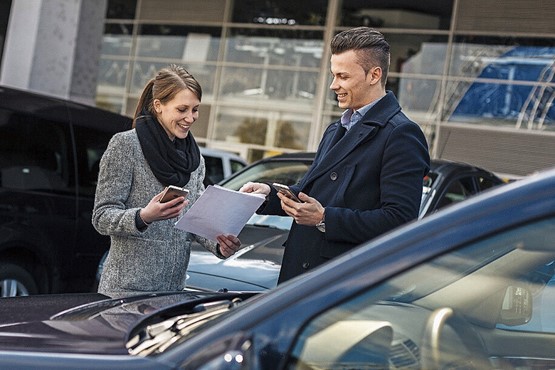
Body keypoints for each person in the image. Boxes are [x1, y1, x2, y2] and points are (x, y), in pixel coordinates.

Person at [240, 27, 430, 283]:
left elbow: (400, 220)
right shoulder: (336, 128)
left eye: (343, 76)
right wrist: (269, 195)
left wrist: (324, 219)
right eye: (333, 75)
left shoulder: (401, 134)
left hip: (342, 281)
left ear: (374, 75)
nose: (333, 85)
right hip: (301, 273)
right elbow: (314, 194)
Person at [92, 64, 241, 296]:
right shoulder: (126, 146)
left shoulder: (194, 157)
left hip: (173, 292)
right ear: (158, 106)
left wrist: (219, 243)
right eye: (182, 109)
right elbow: (101, 217)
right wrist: (144, 216)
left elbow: (193, 217)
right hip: (126, 291)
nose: (190, 118)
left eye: (195, 109)